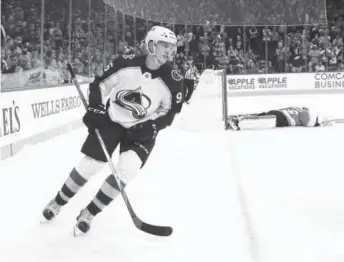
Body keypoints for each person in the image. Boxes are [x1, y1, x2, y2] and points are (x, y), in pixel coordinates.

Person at [42, 26, 184, 235]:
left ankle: (89, 214)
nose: (169, 52)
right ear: (151, 44)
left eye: (172, 48)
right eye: (165, 45)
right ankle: (58, 202)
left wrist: (153, 126)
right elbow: (99, 85)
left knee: (127, 170)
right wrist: (95, 107)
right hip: (113, 120)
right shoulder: (125, 63)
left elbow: (169, 112)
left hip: (142, 130)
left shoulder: (173, 79)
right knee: (89, 165)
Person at [227, 106, 332, 130]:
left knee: (261, 115)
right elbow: (308, 123)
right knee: (261, 120)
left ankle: (239, 118)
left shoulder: (300, 109)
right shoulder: (307, 114)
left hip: (279, 112)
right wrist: (318, 124)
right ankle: (239, 122)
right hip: (283, 119)